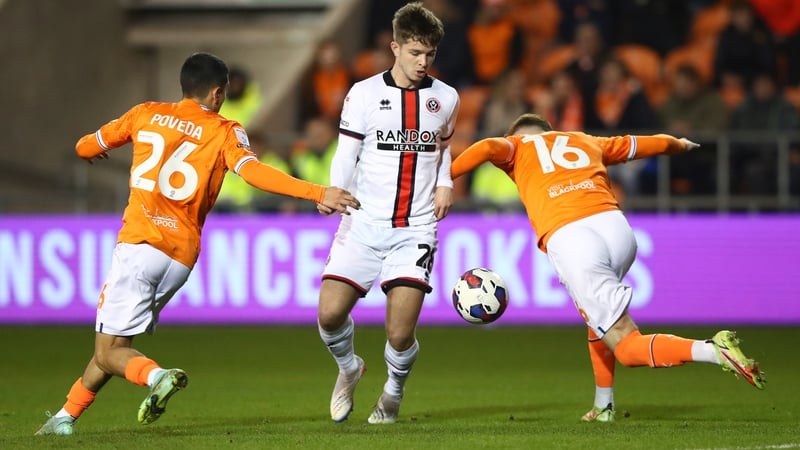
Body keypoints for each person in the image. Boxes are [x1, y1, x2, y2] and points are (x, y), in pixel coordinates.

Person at [35, 52, 360, 436]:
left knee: (109, 351)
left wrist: (89, 147)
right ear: (218, 93)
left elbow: (86, 147)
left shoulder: (145, 113)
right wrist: (317, 191)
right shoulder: (225, 131)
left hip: (140, 245)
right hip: (180, 258)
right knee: (115, 346)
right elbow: (254, 172)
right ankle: (64, 419)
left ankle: (157, 376)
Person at [450, 113, 766, 422]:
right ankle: (604, 405)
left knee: (626, 347)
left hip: (572, 237)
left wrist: (445, 178)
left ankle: (712, 350)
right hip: (617, 231)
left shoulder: (516, 147)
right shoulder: (584, 141)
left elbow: (488, 147)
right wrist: (679, 144)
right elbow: (649, 143)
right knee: (597, 321)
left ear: (514, 137)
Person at [315, 2, 459, 425]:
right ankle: (349, 368)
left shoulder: (446, 97)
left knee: (398, 332)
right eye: (415, 53)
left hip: (415, 227)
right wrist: (335, 190)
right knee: (329, 315)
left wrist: (445, 182)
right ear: (395, 48)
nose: (423, 62)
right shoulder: (363, 94)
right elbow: (347, 152)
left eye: (430, 54)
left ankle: (393, 393)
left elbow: (443, 148)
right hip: (362, 222)